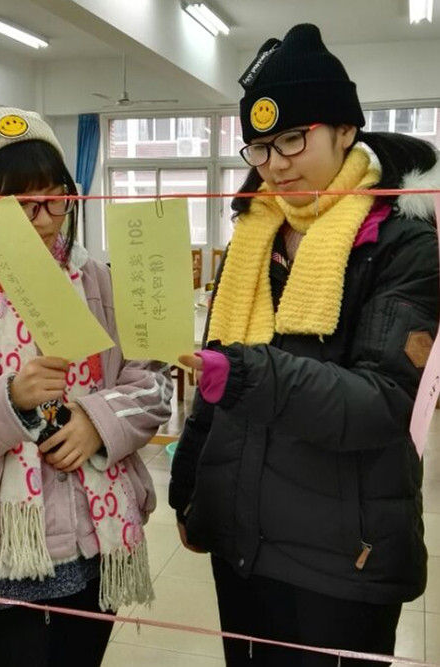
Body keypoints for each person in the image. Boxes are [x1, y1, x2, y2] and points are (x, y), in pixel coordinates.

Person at [169, 23, 440, 667]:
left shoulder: (402, 242)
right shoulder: (254, 237)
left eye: (293, 138)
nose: (276, 164)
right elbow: (216, 382)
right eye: (260, 148)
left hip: (342, 560)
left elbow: (386, 401)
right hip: (242, 545)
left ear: (345, 129)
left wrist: (244, 374)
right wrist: (189, 490)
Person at [0, 107, 172, 667]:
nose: (45, 221)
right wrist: (7, 400)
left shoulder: (97, 279)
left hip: (97, 546)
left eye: (56, 200)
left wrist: (98, 421)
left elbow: (153, 382)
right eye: (23, 206)